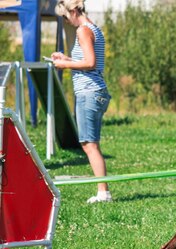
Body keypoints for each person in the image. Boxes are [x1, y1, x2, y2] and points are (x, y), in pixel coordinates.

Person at [52, 0, 112, 203]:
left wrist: (65, 65)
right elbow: (88, 61)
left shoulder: (83, 30)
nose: (65, 21)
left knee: (89, 145)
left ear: (74, 10)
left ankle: (103, 193)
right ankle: (103, 190)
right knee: (91, 143)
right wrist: (66, 59)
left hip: (89, 92)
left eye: (65, 16)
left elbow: (90, 63)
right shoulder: (93, 27)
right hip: (96, 91)